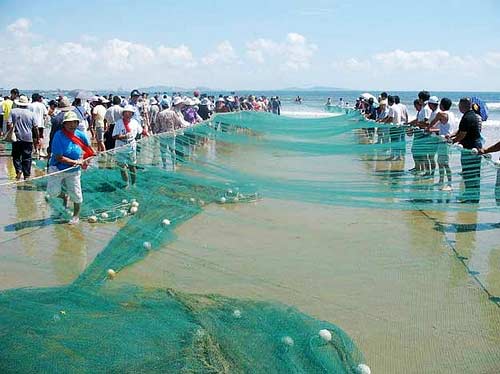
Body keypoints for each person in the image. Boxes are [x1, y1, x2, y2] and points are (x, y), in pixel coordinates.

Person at [47, 111, 94, 225]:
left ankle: (76, 215)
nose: (72, 125)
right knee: (52, 193)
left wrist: (87, 161)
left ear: (77, 123)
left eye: (74, 122)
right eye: (69, 123)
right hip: (57, 168)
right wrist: (75, 162)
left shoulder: (81, 135)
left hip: (73, 171)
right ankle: (64, 196)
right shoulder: (58, 135)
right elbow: (58, 157)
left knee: (77, 194)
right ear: (64, 124)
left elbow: (89, 150)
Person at [452, 97, 483, 203]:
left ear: (463, 106)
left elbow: (462, 135)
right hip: (475, 147)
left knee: (469, 173)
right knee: (474, 173)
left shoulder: (467, 117)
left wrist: (452, 141)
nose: (459, 107)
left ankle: (471, 197)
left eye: (460, 105)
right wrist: (452, 136)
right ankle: (472, 196)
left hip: (470, 149)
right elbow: (460, 131)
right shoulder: (472, 115)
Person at [7, 95, 38, 180]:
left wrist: (10, 132)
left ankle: (18, 170)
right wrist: (37, 138)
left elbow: (9, 123)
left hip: (16, 137)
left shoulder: (13, 111)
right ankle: (27, 175)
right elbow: (35, 127)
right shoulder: (31, 114)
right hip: (28, 137)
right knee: (27, 157)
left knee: (16, 156)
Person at [428, 98, 455, 191]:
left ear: (441, 105)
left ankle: (450, 184)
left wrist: (428, 129)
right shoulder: (451, 114)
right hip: (445, 141)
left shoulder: (441, 114)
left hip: (444, 142)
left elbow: (432, 124)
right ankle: (441, 181)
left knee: (445, 164)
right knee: (441, 163)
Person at [112, 105, 143, 188]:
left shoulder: (135, 122)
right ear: (123, 113)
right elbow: (114, 136)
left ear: (132, 114)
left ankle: (134, 183)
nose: (128, 114)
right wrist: (123, 136)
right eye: (126, 112)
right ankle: (126, 184)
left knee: (132, 166)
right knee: (122, 167)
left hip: (131, 147)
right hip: (120, 147)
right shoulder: (118, 123)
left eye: (130, 113)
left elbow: (140, 132)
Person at [29, 93, 49, 158]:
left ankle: (36, 149)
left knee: (34, 137)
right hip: (41, 123)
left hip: (33, 124)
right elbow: (46, 114)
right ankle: (40, 150)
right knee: (40, 137)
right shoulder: (42, 105)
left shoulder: (30, 105)